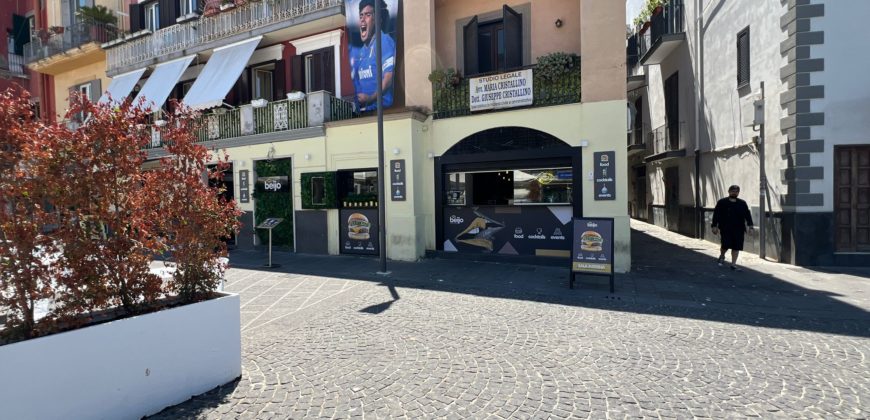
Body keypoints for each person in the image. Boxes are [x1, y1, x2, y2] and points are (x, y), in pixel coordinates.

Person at [350, 0, 395, 112]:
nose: (362, 19)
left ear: (378, 20)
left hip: (384, 110)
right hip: (365, 112)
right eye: (361, 15)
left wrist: (370, 98)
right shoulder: (360, 51)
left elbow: (388, 79)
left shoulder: (384, 41)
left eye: (368, 15)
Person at [711, 185, 754, 271]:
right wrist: (714, 226)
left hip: (739, 228)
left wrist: (750, 225)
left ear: (738, 193)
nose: (734, 192)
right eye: (733, 191)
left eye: (736, 191)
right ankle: (722, 255)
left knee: (736, 246)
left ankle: (733, 264)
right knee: (725, 244)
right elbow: (716, 214)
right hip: (725, 227)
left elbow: (747, 215)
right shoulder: (722, 202)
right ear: (729, 191)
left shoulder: (742, 203)